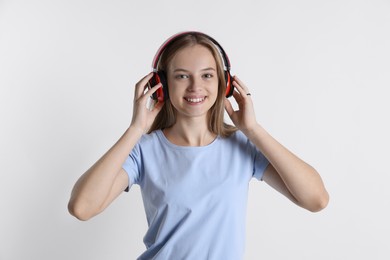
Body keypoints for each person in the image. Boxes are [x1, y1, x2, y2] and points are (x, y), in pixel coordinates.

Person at [68, 31, 329, 259]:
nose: (196, 86)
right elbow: (82, 207)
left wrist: (253, 130)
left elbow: (316, 199)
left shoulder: (243, 146)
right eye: (182, 76)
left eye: (207, 75)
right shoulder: (143, 150)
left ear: (224, 83)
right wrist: (135, 129)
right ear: (161, 85)